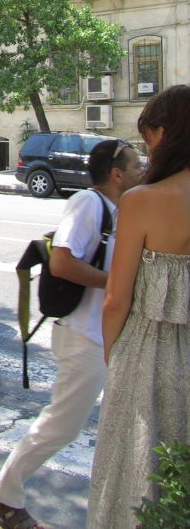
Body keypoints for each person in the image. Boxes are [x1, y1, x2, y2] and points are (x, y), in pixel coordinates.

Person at [0, 138, 143, 529]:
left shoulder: (120, 210)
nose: (142, 171)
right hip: (81, 336)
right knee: (62, 424)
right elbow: (63, 261)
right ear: (117, 174)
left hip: (101, 337)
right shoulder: (89, 204)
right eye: (136, 165)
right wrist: (116, 282)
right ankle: (3, 493)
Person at [87, 86, 190, 529]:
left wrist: (114, 353)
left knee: (134, 475)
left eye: (148, 136)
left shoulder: (143, 201)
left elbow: (116, 299)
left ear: (164, 133)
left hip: (148, 355)